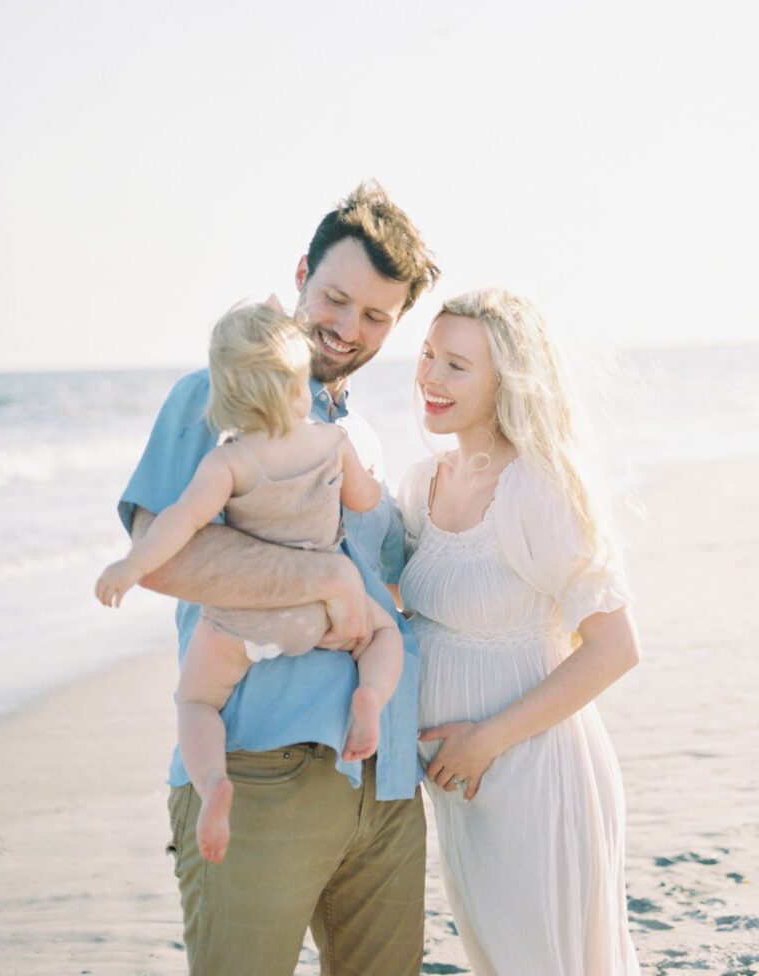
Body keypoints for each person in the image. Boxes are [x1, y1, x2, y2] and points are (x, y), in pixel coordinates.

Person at [117, 182, 439, 976]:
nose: (347, 328)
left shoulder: (356, 429)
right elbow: (159, 552)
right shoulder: (218, 395)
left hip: (386, 779)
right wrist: (320, 578)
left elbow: (398, 577)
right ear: (302, 273)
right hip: (258, 770)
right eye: (335, 298)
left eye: (375, 316)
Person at [96, 297, 403, 865]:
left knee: (196, 701)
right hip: (325, 615)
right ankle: (368, 697)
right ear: (297, 385)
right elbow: (366, 500)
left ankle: (213, 783)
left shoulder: (226, 464)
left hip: (242, 623)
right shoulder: (334, 443)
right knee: (386, 638)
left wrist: (131, 567)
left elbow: (178, 526)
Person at [397, 288, 641, 975]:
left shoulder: (538, 489)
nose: (430, 377)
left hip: (537, 775)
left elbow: (616, 647)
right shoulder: (422, 487)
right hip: (464, 788)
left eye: (456, 365)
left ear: (508, 381)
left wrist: (485, 741)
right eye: (427, 355)